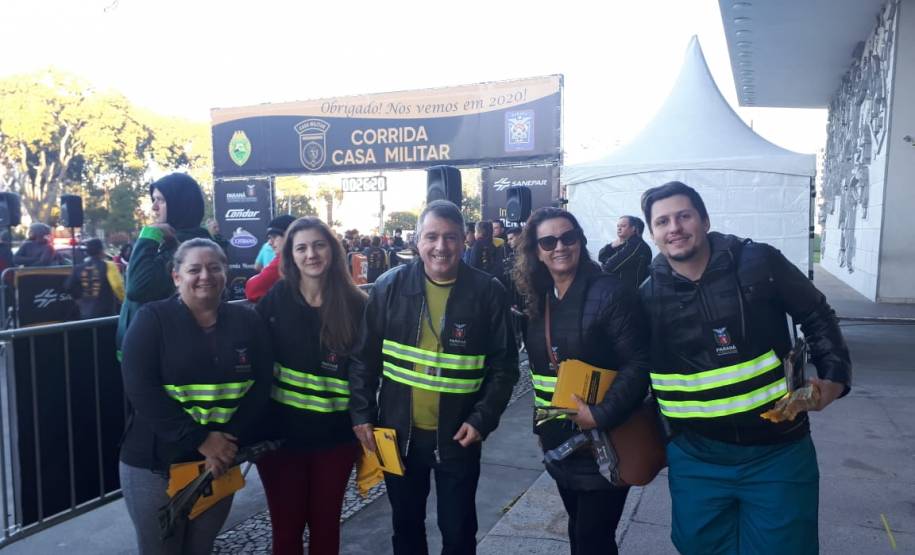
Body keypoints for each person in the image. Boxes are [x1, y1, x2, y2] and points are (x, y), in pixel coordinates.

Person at [638, 181, 852, 555]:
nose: (674, 227)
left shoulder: (759, 262)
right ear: (653, 234)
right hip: (696, 456)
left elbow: (816, 314)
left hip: (778, 452)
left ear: (704, 221)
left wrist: (834, 377)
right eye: (662, 221)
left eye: (684, 216)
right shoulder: (644, 297)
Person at [348, 200, 519, 555]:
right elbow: (363, 359)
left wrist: (481, 419)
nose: (441, 247)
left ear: (464, 240)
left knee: (458, 533)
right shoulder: (388, 287)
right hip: (397, 434)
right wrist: (362, 415)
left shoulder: (488, 291)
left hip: (458, 435)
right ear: (417, 240)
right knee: (406, 528)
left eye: (451, 237)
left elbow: (504, 367)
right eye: (432, 237)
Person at [118, 238, 272, 554]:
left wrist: (226, 441)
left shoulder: (248, 321)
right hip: (156, 464)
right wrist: (201, 439)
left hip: (219, 459)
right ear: (176, 276)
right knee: (161, 549)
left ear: (225, 273)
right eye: (194, 269)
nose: (206, 276)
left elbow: (261, 384)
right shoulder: (152, 320)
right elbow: (141, 389)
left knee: (201, 547)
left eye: (215, 268)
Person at [513, 207, 651, 555]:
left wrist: (601, 413)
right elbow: (541, 375)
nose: (559, 246)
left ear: (580, 241)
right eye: (548, 241)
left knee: (592, 540)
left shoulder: (611, 293)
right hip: (560, 443)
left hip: (606, 441)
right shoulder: (540, 300)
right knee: (579, 533)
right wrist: (540, 429)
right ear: (537, 251)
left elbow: (639, 362)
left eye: (568, 237)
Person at [255, 217, 368, 555]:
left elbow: (366, 373)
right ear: (290, 255)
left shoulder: (357, 304)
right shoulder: (275, 301)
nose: (311, 254)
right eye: (301, 247)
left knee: (325, 527)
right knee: (286, 532)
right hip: (281, 440)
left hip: (334, 440)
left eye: (319, 245)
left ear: (332, 250)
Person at [116, 173, 212, 355]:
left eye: (160, 200)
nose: (154, 207)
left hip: (161, 354)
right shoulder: (170, 242)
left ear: (180, 204)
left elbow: (137, 287)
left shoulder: (189, 248)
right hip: (143, 350)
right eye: (153, 200)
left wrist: (149, 234)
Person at [65, 238, 125, 319]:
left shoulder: (78, 268)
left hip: (86, 314)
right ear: (101, 250)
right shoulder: (109, 266)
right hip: (106, 314)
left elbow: (68, 286)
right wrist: (124, 300)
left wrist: (80, 300)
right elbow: (117, 286)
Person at [245, 214, 296, 303]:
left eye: (275, 236)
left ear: (290, 237)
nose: (270, 242)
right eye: (269, 238)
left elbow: (252, 290)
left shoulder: (286, 259)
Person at [598, 216, 652, 290]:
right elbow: (601, 257)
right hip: (615, 291)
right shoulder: (622, 243)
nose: (619, 229)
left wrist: (607, 262)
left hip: (626, 294)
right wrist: (611, 246)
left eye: (623, 226)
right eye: (618, 226)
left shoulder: (637, 245)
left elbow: (609, 267)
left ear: (633, 229)